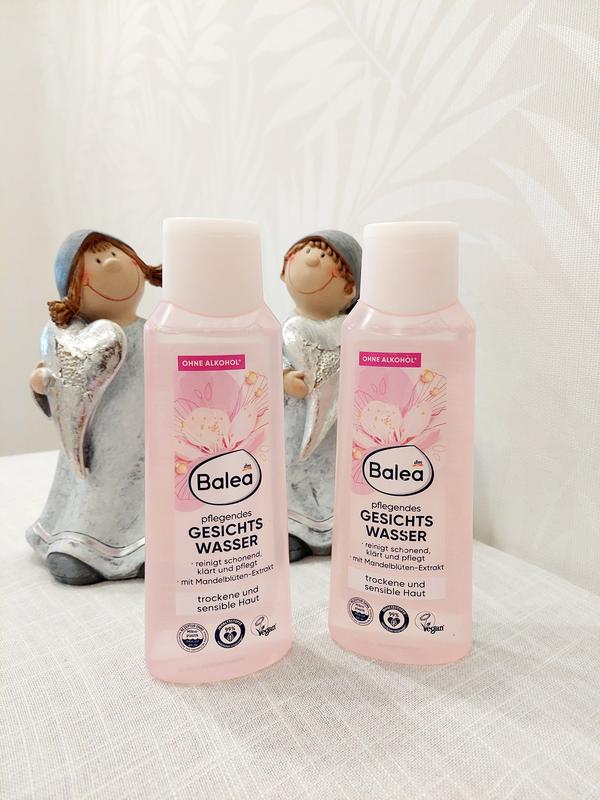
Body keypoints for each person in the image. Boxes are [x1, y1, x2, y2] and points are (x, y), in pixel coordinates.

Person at [27, 230, 161, 584]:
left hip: (149, 438)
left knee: (148, 489)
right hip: (98, 443)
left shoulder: (157, 332)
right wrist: (43, 386)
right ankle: (82, 546)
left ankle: (144, 547)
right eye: (97, 260)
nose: (112, 264)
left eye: (118, 255)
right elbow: (62, 387)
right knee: (98, 489)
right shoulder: (71, 341)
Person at [280, 230, 362, 561]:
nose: (312, 259)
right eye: (305, 250)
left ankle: (337, 529)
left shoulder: (353, 332)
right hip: (293, 426)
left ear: (350, 289)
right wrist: (284, 376)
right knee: (293, 476)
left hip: (340, 428)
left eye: (326, 256)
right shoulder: (282, 329)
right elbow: (266, 364)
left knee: (335, 475)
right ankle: (295, 530)